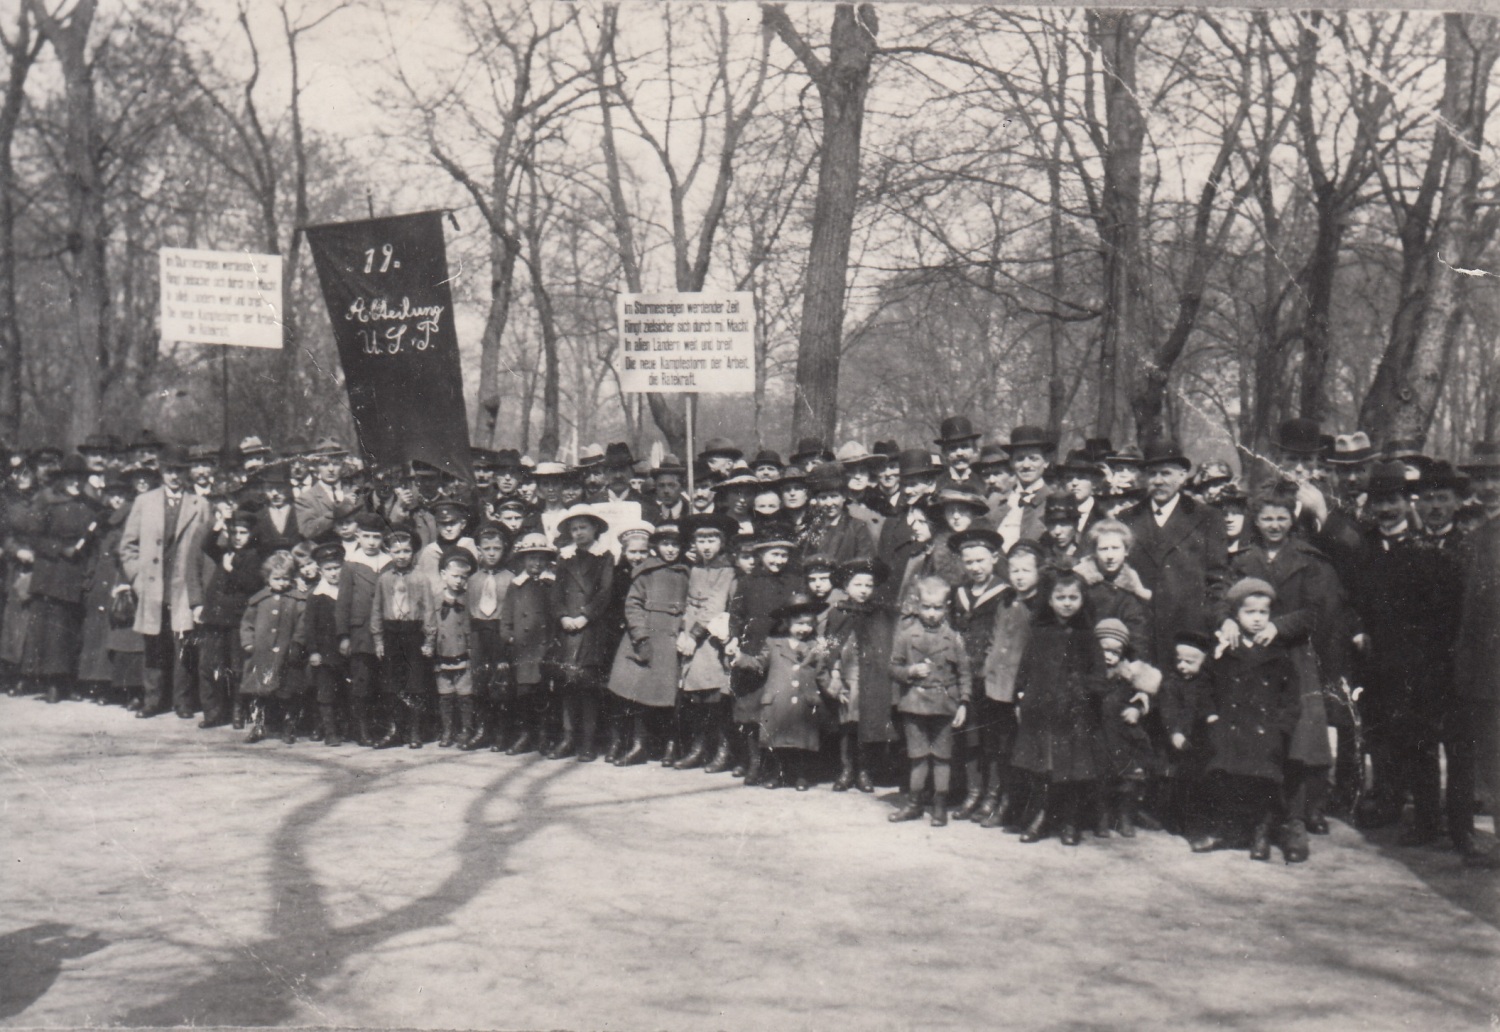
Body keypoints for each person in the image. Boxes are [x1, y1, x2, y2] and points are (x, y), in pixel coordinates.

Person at [1222, 487, 1340, 861]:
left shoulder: (1310, 560)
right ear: (1255, 521)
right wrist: (1226, 621)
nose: (1274, 525)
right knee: (1258, 741)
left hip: (1293, 658)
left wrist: (1282, 626)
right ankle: (1259, 823)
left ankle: (1293, 825)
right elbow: (1218, 596)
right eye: (1267, 518)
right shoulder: (1240, 560)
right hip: (1250, 659)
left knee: (1296, 743)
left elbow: (1318, 611)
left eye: (1281, 518)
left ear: (1293, 519)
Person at [1191, 578, 1301, 862]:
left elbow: (1291, 696)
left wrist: (1282, 726)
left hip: (1265, 731)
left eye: (1263, 613)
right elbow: (1204, 685)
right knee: (1223, 777)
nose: (1256, 619)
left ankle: (1260, 833)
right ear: (1235, 616)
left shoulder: (1278, 653)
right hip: (1229, 726)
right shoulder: (1225, 650)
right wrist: (1211, 716)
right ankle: (1225, 830)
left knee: (1263, 781)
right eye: (1249, 613)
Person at [1010, 568, 1111, 845]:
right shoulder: (1040, 632)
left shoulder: (1086, 635)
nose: (1067, 603)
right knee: (1043, 768)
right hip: (1041, 712)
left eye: (1073, 597)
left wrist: (1083, 691)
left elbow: (1099, 675)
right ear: (1050, 600)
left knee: (1072, 771)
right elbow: (1026, 668)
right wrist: (1020, 696)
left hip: (1075, 715)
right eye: (1060, 597)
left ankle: (1071, 821)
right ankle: (1041, 817)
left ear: (1082, 600)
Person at [119, 443, 212, 719]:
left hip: (182, 585)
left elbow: (206, 550)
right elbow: (128, 546)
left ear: (187, 474)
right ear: (161, 472)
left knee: (183, 643)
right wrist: (137, 577)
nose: (174, 476)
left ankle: (182, 701)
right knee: (154, 642)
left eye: (179, 471)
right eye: (170, 471)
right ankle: (153, 700)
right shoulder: (144, 501)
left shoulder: (200, 504)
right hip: (152, 583)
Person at [1122, 438, 1229, 666]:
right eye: (1152, 474)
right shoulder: (1127, 519)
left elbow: (1218, 580)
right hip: (1141, 636)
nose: (1158, 481)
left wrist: (1216, 622)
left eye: (1166, 473)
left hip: (1189, 637)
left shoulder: (1208, 518)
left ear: (1182, 476)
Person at [887, 576, 972, 826]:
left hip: (945, 705)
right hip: (914, 704)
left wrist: (964, 703)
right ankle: (913, 804)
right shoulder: (906, 635)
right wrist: (909, 672)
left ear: (946, 607)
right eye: (926, 607)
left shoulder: (954, 638)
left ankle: (939, 806)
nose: (932, 613)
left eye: (937, 607)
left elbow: (964, 673)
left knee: (942, 757)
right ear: (917, 605)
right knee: (918, 756)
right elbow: (893, 667)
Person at [731, 594, 832, 791]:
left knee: (801, 745)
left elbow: (821, 674)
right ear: (787, 623)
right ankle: (777, 775)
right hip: (778, 703)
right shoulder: (773, 643)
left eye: (809, 624)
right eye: (799, 624)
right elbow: (759, 663)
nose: (804, 629)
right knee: (777, 745)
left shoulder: (816, 648)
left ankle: (801, 776)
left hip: (804, 702)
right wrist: (741, 658)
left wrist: (834, 689)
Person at [608, 525, 690, 765]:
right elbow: (633, 605)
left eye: (676, 545)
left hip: (674, 637)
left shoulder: (687, 573)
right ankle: (638, 744)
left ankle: (671, 745)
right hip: (648, 636)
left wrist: (686, 631)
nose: (671, 550)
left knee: (672, 696)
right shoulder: (645, 572)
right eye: (666, 544)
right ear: (656, 547)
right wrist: (641, 637)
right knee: (637, 692)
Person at [976, 541, 1044, 829]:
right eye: (1014, 570)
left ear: (1039, 572)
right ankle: (992, 796)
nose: (1019, 576)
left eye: (1026, 570)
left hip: (1019, 689)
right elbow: (994, 639)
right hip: (995, 686)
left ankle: (1011, 804)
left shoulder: (1040, 608)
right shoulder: (1004, 602)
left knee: (1016, 750)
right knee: (995, 746)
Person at [23, 456, 101, 703]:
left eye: (79, 478)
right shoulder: (47, 500)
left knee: (74, 630)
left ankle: (71, 682)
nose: (75, 483)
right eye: (70, 478)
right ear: (61, 479)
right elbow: (34, 537)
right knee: (53, 630)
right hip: (52, 572)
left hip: (78, 572)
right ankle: (53, 683)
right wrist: (60, 549)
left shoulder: (89, 504)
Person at [724, 534, 801, 783]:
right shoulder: (747, 582)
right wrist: (735, 639)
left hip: (779, 651)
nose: (779, 560)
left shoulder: (793, 582)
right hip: (752, 648)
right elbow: (736, 614)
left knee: (775, 710)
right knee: (749, 710)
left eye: (783, 555)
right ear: (761, 556)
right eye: (774, 555)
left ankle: (774, 765)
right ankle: (753, 763)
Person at [946, 526, 1010, 820]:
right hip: (966, 678)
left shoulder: (1005, 593)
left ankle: (992, 794)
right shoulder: (956, 594)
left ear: (994, 558)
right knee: (969, 738)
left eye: (981, 560)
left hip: (993, 678)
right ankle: (972, 793)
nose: (975, 567)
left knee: (993, 740)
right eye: (969, 561)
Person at [824, 556, 898, 792]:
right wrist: (835, 675)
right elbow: (830, 647)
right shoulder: (837, 613)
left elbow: (886, 645)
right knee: (848, 723)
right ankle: (847, 770)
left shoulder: (881, 614)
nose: (864, 590)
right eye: (858, 585)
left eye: (869, 585)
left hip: (873, 677)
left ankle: (865, 771)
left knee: (870, 723)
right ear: (846, 587)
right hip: (848, 675)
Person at [549, 507, 615, 762]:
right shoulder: (564, 557)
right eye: (574, 529)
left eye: (583, 527)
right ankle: (568, 738)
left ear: (594, 529)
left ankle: (588, 741)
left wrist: (584, 616)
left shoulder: (604, 557)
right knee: (567, 685)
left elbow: (605, 592)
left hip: (591, 628)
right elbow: (556, 592)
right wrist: (563, 616)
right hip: (567, 629)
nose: (578, 533)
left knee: (587, 686)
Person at [674, 513, 739, 769]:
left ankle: (722, 751)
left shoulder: (727, 570)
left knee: (715, 696)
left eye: (712, 539)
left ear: (722, 542)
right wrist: (683, 631)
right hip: (691, 638)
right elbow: (689, 603)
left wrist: (694, 635)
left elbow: (715, 605)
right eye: (701, 539)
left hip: (712, 639)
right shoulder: (696, 569)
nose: (706, 545)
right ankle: (698, 748)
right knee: (694, 697)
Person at [194, 510, 265, 729]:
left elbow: (251, 584)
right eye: (234, 532)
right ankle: (213, 713)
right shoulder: (225, 551)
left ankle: (237, 712)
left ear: (251, 534)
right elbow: (206, 545)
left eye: (243, 532)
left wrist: (230, 569)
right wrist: (218, 524)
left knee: (236, 668)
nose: (237, 537)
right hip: (215, 619)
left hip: (236, 620)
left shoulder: (254, 556)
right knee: (211, 666)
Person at [1095, 618, 1162, 837]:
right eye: (1104, 650)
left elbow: (1143, 695)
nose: (1109, 656)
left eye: (1115, 652)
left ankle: (1125, 815)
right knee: (1102, 778)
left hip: (1125, 735)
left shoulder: (1130, 674)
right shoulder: (1092, 673)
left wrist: (1137, 709)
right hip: (1099, 734)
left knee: (1129, 779)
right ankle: (1102, 816)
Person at [370, 528, 431, 749]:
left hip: (413, 632)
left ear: (413, 552)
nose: (402, 555)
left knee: (414, 684)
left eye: (406, 551)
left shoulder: (421, 578)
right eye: (397, 551)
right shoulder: (384, 579)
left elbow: (428, 610)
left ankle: (414, 731)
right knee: (391, 684)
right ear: (389, 552)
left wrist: (429, 640)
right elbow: (377, 610)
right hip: (390, 633)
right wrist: (378, 640)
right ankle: (394, 730)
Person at [499, 532, 558, 755]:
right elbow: (506, 617)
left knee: (544, 694)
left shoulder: (551, 583)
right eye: (531, 558)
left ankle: (544, 736)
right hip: (523, 647)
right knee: (523, 693)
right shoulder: (516, 585)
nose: (536, 563)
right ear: (523, 560)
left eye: (541, 558)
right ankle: (525, 735)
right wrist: (509, 636)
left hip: (545, 647)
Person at [239, 550, 307, 744]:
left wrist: (297, 643)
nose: (282, 583)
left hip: (286, 655)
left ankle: (288, 726)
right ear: (267, 578)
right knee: (258, 692)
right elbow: (247, 624)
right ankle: (257, 726)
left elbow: (302, 624)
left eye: (286, 578)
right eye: (276, 579)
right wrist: (248, 642)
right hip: (261, 656)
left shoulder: (298, 600)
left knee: (287, 691)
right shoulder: (259, 600)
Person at [1159, 631, 1215, 838]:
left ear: (1202, 661)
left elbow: (1208, 704)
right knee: (1178, 778)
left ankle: (1199, 816)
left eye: (1190, 662)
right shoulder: (1171, 683)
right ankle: (1175, 818)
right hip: (1179, 738)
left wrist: (1211, 716)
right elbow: (1168, 711)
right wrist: (1175, 732)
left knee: (1200, 776)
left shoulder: (1204, 682)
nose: (1183, 665)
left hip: (1199, 738)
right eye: (1179, 660)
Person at [423, 549, 478, 748]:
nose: (458, 581)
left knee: (465, 694)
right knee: (445, 694)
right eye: (455, 576)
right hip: (442, 652)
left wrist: (472, 648)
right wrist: (429, 644)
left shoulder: (469, 599)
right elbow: (430, 623)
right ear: (443, 574)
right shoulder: (435, 599)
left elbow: (471, 627)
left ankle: (466, 729)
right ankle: (447, 730)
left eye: (463, 577)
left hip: (463, 652)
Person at [467, 523, 514, 752]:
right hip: (478, 634)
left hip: (500, 634)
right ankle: (482, 731)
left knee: (501, 685)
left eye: (497, 548)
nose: (492, 552)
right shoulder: (473, 579)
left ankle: (501, 733)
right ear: (479, 550)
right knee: (480, 683)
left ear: (504, 549)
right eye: (487, 548)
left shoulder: (512, 579)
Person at [303, 541, 348, 746]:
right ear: (320, 571)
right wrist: (313, 651)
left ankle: (345, 728)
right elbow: (309, 627)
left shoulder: (348, 592)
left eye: (337, 568)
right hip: (324, 652)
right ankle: (329, 731)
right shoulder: (316, 596)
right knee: (325, 692)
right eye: (328, 569)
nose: (333, 573)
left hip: (345, 651)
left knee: (345, 690)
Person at [992, 426, 1054, 551]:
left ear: (1046, 462)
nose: (1026, 465)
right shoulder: (997, 500)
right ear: (1011, 463)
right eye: (1020, 459)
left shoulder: (1053, 501)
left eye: (1033, 459)